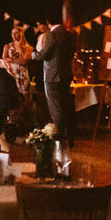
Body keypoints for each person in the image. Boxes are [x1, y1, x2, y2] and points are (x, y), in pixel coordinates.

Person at [31, 12, 77, 143]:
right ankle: (70, 136)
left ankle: (59, 138)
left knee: (56, 107)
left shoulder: (52, 35)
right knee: (65, 105)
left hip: (53, 76)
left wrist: (33, 54)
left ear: (48, 21)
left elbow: (44, 55)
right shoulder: (70, 35)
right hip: (66, 74)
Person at [2, 24, 34, 97]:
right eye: (12, 33)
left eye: (16, 33)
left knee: (25, 96)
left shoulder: (27, 47)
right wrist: (17, 60)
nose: (13, 35)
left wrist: (12, 59)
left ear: (21, 34)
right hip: (12, 74)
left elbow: (25, 61)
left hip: (24, 75)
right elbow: (4, 58)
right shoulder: (8, 46)